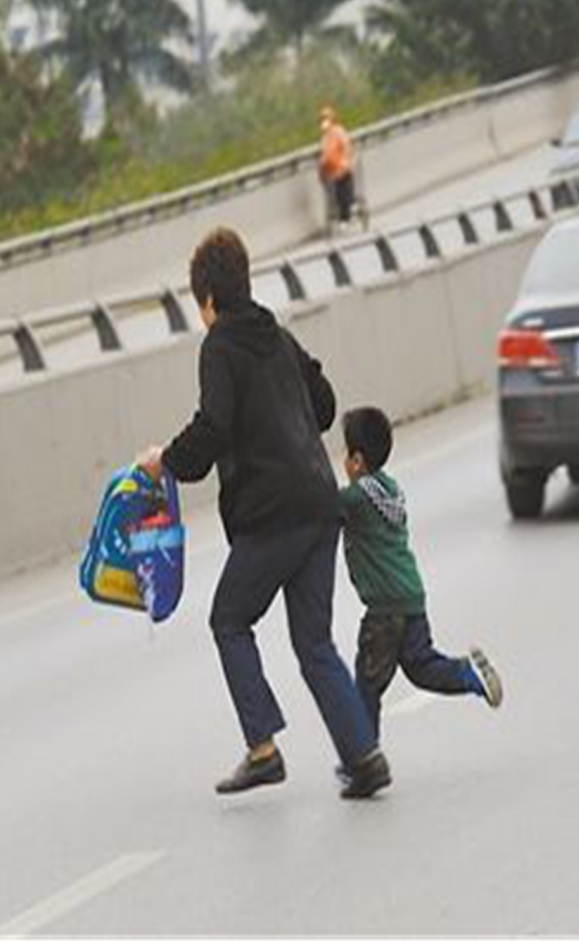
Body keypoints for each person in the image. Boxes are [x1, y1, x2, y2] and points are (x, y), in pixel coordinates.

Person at [137, 227, 390, 800]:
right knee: (315, 645)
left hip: (272, 516)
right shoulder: (277, 335)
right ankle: (364, 756)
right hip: (321, 506)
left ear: (206, 300)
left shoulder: (219, 346)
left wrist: (164, 462)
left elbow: (214, 427)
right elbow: (324, 405)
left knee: (229, 619)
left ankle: (263, 749)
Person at [339, 406, 503, 742]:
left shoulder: (355, 498)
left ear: (356, 460)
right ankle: (469, 675)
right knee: (422, 667)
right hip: (412, 596)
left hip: (385, 609)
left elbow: (322, 506)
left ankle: (363, 757)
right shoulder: (389, 488)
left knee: (366, 685)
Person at [318, 105, 356, 230]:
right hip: (332, 172)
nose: (324, 121)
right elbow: (324, 155)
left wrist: (345, 160)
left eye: (326, 118)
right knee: (336, 191)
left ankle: (346, 213)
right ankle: (344, 211)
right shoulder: (324, 138)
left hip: (342, 168)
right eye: (322, 118)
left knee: (344, 184)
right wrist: (322, 166)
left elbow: (346, 146)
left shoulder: (339, 131)